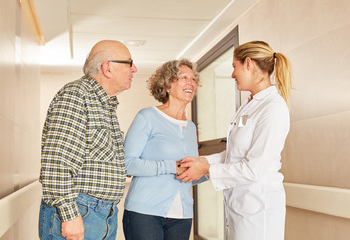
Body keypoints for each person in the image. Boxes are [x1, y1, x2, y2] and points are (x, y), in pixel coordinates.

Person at [177, 41, 292, 240]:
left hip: (258, 210)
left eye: (234, 67)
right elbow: (236, 152)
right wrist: (204, 161)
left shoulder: (273, 108)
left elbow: (253, 168)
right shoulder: (250, 104)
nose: (232, 74)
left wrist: (206, 170)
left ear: (248, 63)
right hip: (240, 207)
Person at [38, 40, 137, 240]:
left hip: (103, 214)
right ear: (107, 68)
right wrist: (69, 215)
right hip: (79, 211)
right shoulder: (76, 96)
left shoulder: (104, 104)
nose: (134, 69)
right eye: (129, 63)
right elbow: (57, 162)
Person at [122, 59, 206, 240]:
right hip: (144, 213)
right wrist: (171, 166)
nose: (191, 82)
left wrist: (209, 169)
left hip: (182, 216)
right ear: (167, 85)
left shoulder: (190, 127)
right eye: (184, 77)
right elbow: (127, 164)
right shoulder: (147, 116)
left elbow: (186, 174)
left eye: (193, 78)